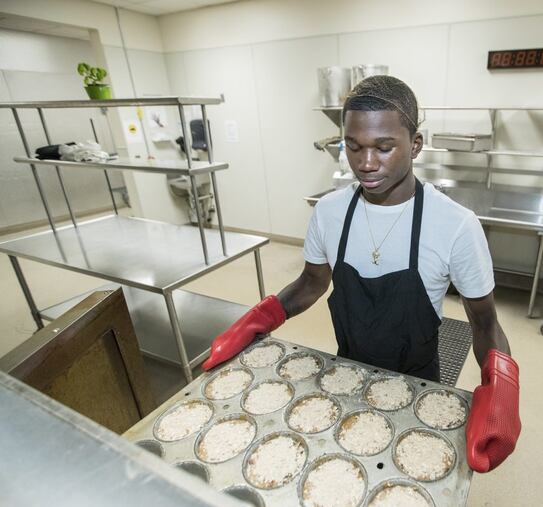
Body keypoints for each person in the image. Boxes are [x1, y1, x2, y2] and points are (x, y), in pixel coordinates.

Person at [202, 75, 521, 473]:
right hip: (345, 373)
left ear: (415, 145)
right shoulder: (330, 212)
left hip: (419, 383)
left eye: (384, 148)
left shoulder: (455, 225)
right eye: (353, 147)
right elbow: (311, 284)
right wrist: (257, 320)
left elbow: (485, 322)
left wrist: (501, 392)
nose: (366, 164)